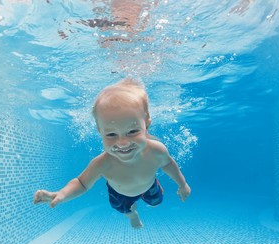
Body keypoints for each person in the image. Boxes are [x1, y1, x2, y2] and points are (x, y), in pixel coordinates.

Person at [33, 78, 191, 228]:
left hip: (149, 186)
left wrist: (182, 184)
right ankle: (132, 215)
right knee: (124, 209)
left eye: (132, 131)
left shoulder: (156, 150)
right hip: (119, 193)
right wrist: (62, 194)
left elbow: (169, 164)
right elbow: (81, 183)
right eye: (111, 135)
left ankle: (141, 202)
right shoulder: (103, 163)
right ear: (99, 131)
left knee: (156, 202)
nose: (123, 143)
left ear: (147, 122)